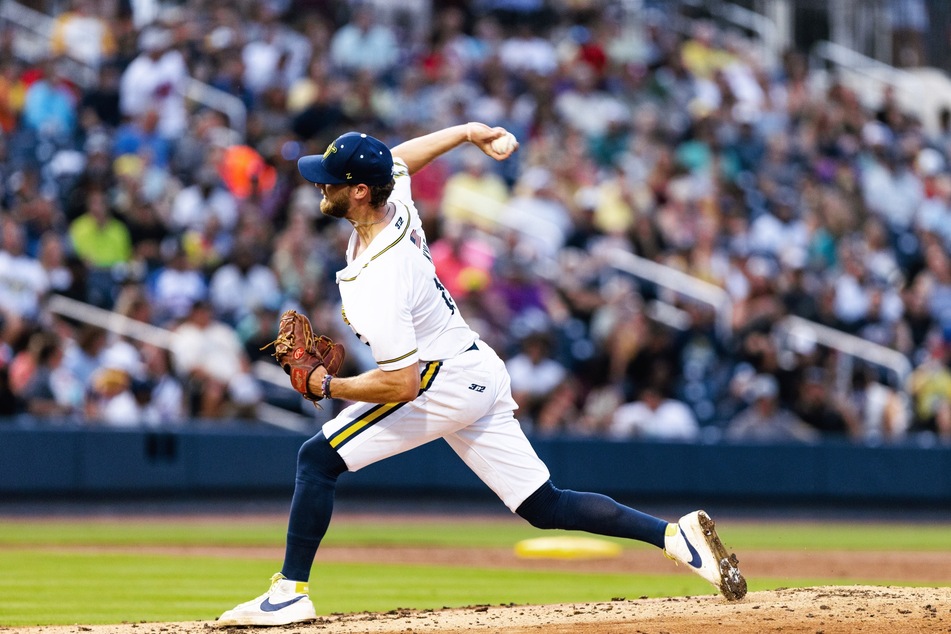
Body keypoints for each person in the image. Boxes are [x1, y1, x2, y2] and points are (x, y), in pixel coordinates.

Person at [216, 124, 746, 626]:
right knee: (544, 504)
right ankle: (675, 537)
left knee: (317, 458)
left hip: (438, 380)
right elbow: (402, 158)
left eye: (329, 180)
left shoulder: (378, 278)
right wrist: (469, 132)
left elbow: (400, 385)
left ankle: (289, 594)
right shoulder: (392, 201)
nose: (318, 185)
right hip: (475, 367)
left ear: (357, 192)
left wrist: (327, 387)